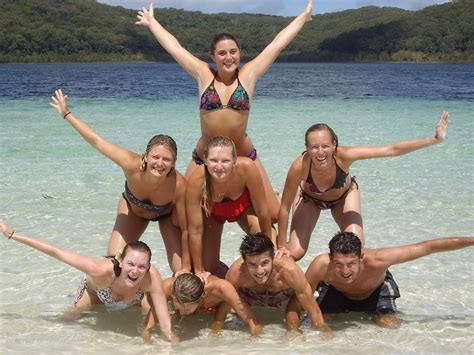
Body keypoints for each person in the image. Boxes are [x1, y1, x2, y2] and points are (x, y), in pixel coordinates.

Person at [136, 0, 314, 221]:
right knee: (179, 218)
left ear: (239, 53)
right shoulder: (203, 75)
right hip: (205, 157)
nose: (228, 57)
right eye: (222, 53)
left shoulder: (248, 75)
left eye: (233, 52)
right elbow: (175, 48)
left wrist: (303, 18)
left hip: (242, 154)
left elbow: (277, 45)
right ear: (213, 56)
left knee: (275, 215)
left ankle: (265, 199)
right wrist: (152, 23)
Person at [50, 89, 190, 275]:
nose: (160, 163)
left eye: (166, 159)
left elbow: (189, 229)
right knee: (113, 265)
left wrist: (187, 267)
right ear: (146, 156)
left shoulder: (178, 184)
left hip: (165, 215)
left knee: (181, 272)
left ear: (174, 162)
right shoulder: (130, 163)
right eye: (155, 157)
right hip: (133, 210)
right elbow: (97, 141)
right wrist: (67, 114)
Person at [277, 111, 450, 260]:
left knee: (355, 247)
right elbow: (284, 208)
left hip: (343, 197)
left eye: (325, 146)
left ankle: (337, 282)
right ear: (306, 148)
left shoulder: (345, 156)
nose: (320, 152)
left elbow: (391, 150)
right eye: (314, 147)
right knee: (294, 253)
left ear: (334, 145)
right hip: (310, 199)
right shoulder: (299, 166)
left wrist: (434, 139)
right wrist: (281, 246)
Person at [0, 219, 178, 343]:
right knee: (68, 319)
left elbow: (165, 324)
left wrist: (176, 346)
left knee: (150, 325)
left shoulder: (151, 277)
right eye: (131, 264)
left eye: (142, 267)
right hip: (95, 293)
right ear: (121, 261)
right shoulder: (99, 269)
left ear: (148, 267)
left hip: (136, 297)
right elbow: (57, 252)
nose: (135, 271)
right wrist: (12, 234)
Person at [286, 231, 474, 329]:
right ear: (330, 258)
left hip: (376, 292)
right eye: (339, 264)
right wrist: (293, 332)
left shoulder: (379, 260)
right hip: (337, 292)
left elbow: (430, 247)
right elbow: (299, 299)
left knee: (388, 327)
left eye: (351, 263)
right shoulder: (321, 265)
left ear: (361, 257)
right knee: (318, 325)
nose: (345, 271)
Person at [186, 136, 273, 278]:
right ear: (205, 160)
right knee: (208, 267)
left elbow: (262, 211)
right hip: (212, 214)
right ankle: (228, 276)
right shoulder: (197, 180)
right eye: (213, 160)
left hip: (244, 210)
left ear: (234, 161)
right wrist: (199, 270)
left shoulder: (247, 168)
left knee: (263, 251)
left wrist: (270, 249)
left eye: (225, 161)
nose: (219, 167)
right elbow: (195, 230)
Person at [225, 232, 330, 334]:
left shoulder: (289, 271)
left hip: (284, 299)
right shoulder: (236, 274)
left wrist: (324, 334)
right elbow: (224, 306)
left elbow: (313, 311)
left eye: (265, 263)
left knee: (293, 326)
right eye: (252, 264)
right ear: (244, 262)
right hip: (250, 299)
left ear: (273, 257)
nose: (259, 271)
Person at [144, 273, 262, 338]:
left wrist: (253, 341)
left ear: (201, 299)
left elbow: (252, 321)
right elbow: (148, 325)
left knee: (217, 323)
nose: (183, 311)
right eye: (179, 307)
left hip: (218, 275)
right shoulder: (169, 287)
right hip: (187, 282)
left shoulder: (222, 288)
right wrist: (147, 340)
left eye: (187, 308)